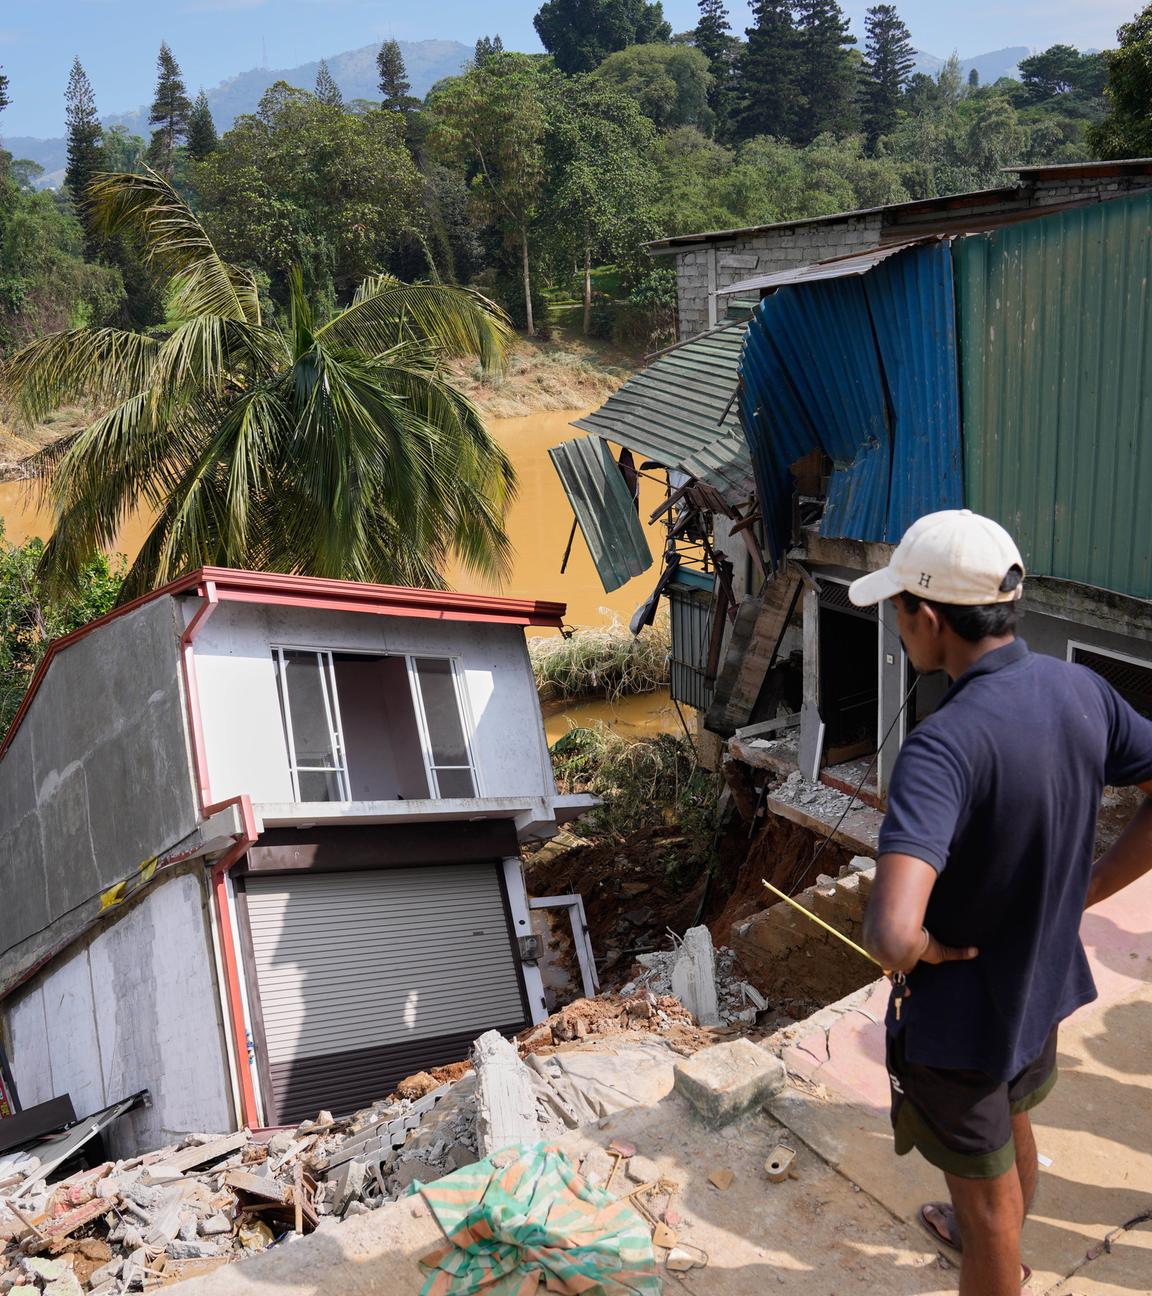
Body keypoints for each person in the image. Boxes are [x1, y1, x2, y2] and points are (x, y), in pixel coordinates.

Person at [849, 509, 1152, 1296]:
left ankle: (995, 1257)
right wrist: (1084, 891)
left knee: (984, 1209)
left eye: (897, 609)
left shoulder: (943, 747)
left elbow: (890, 933)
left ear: (928, 617)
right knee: (1013, 1119)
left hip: (960, 1024)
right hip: (1039, 990)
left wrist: (924, 951)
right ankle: (995, 1241)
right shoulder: (1081, 688)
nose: (897, 625)